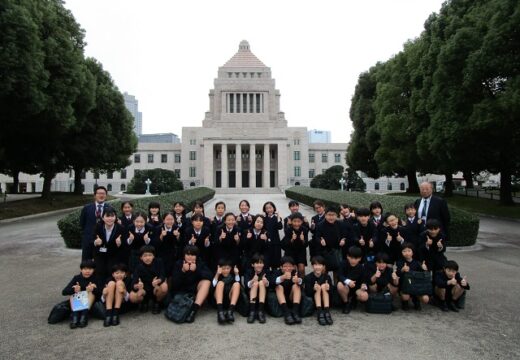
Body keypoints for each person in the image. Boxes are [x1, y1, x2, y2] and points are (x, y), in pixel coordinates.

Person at [170, 245, 212, 323]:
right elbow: (174, 284)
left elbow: (209, 276)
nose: (190, 257)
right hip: (181, 292)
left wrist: (196, 270)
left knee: (206, 282)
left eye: (193, 255)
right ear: (184, 255)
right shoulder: (178, 264)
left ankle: (194, 311)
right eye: (188, 254)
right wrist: (183, 271)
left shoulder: (200, 263)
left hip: (196, 292)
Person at [129, 245, 168, 314]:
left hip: (155, 288)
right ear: (141, 257)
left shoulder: (159, 262)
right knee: (132, 296)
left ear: (153, 256)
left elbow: (163, 275)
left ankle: (157, 303)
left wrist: (158, 281)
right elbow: (133, 283)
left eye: (150, 255)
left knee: (164, 286)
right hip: (144, 290)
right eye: (145, 256)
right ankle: (144, 302)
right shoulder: (138, 266)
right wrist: (137, 286)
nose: (148, 258)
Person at [62, 260, 100, 329]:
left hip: (90, 303)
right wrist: (74, 289)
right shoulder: (76, 278)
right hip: (78, 302)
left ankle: (83, 317)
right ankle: (75, 318)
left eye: (90, 269)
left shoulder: (96, 278)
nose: (87, 271)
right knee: (74, 290)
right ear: (81, 269)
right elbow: (64, 292)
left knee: (90, 292)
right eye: (85, 269)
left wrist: (93, 289)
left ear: (93, 270)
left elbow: (101, 293)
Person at [93, 208, 126, 279]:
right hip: (100, 255)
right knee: (99, 272)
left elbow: (125, 246)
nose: (110, 218)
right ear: (102, 218)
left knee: (111, 272)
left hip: (114, 255)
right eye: (107, 216)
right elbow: (92, 241)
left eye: (112, 216)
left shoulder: (121, 228)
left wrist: (119, 244)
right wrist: (96, 242)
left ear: (116, 217)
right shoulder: (98, 227)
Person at [395, 243, 430, 311]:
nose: (407, 253)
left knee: (425, 299)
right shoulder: (399, 262)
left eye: (409, 251)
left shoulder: (417, 263)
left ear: (412, 252)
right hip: (405, 285)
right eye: (404, 251)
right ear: (401, 252)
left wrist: (424, 269)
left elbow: (424, 276)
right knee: (405, 296)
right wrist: (402, 270)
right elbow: (397, 274)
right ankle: (405, 302)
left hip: (416, 286)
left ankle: (416, 300)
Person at [270, 256, 303, 325]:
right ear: (281, 267)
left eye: (290, 266)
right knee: (278, 286)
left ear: (293, 267)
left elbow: (303, 283)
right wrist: (281, 278)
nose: (288, 268)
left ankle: (295, 312)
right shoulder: (276, 272)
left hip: (291, 298)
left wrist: (298, 280)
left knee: (296, 286)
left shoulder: (295, 273)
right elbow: (271, 283)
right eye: (285, 266)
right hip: (281, 299)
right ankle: (286, 313)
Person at [79, 186, 110, 260]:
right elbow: (82, 223)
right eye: (99, 193)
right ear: (95, 195)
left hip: (103, 240)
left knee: (101, 261)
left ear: (106, 195)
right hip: (88, 239)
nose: (101, 195)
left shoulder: (109, 208)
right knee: (86, 260)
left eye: (103, 193)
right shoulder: (87, 208)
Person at [336, 246, 369, 314]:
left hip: (356, 288)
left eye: (356, 258)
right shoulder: (343, 264)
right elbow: (339, 275)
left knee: (364, 296)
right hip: (345, 287)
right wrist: (348, 282)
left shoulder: (362, 268)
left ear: (360, 258)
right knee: (339, 285)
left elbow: (364, 280)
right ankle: (346, 303)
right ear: (347, 256)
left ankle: (354, 299)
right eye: (351, 258)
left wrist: (364, 286)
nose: (353, 260)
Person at [304, 255, 333, 326]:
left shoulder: (327, 277)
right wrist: (314, 289)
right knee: (318, 288)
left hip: (325, 300)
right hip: (314, 302)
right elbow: (307, 293)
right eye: (315, 265)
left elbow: (332, 292)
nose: (317, 267)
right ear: (312, 266)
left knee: (323, 286)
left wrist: (328, 288)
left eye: (320, 265)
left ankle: (327, 311)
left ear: (323, 266)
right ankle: (319, 312)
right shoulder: (308, 277)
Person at [212, 259, 241, 324]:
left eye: (228, 268)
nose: (225, 271)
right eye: (223, 268)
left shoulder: (233, 276)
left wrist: (237, 274)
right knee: (220, 283)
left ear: (231, 268)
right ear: (219, 268)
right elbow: (212, 286)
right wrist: (217, 274)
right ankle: (220, 313)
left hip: (229, 300)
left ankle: (230, 312)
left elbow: (239, 285)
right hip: (218, 301)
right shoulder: (217, 275)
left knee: (237, 284)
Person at [243, 254, 269, 324]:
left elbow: (271, 284)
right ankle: (252, 311)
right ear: (252, 264)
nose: (259, 265)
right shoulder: (248, 271)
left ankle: (261, 311)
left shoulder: (266, 272)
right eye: (257, 263)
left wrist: (266, 282)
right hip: (251, 296)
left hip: (263, 297)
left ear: (263, 264)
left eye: (261, 263)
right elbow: (246, 285)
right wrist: (252, 280)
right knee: (255, 283)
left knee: (261, 282)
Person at [281, 212, 309, 276]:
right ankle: (291, 283)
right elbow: (285, 244)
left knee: (301, 269)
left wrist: (303, 240)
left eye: (299, 221)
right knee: (292, 269)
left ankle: (302, 284)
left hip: (301, 251)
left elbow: (306, 244)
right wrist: (292, 239)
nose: (296, 223)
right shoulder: (288, 230)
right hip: (290, 251)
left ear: (302, 221)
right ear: (291, 221)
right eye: (294, 221)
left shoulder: (304, 230)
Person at [262, 201, 283, 269]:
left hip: (276, 243)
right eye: (267, 208)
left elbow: (280, 227)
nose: (269, 210)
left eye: (270, 208)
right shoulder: (264, 218)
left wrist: (278, 216)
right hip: (267, 243)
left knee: (276, 262)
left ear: (274, 208)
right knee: (267, 262)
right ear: (265, 210)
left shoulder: (277, 218)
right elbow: (262, 228)